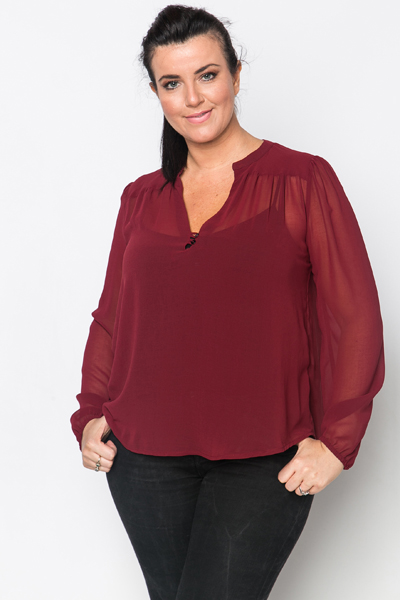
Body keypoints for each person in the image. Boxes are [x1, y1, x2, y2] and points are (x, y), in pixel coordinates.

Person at [71, 5, 384, 599]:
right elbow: (113, 316)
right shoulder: (140, 198)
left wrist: (337, 442)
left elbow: (355, 317)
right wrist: (90, 411)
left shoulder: (302, 181)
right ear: (156, 93)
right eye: (172, 82)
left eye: (207, 75)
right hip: (143, 461)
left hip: (264, 457)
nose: (192, 97)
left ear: (237, 75)